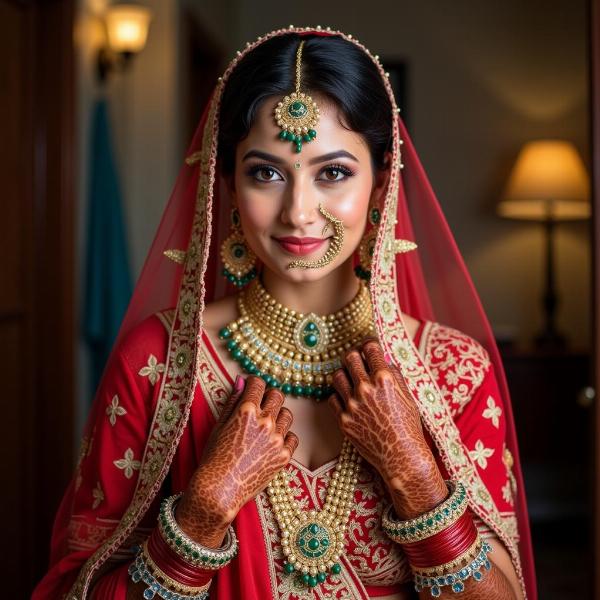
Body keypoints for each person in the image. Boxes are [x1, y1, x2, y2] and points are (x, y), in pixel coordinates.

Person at [33, 26, 537, 600]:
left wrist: (415, 477)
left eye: (334, 172)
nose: (299, 212)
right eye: (266, 172)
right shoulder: (162, 361)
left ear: (380, 185)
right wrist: (203, 510)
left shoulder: (451, 370)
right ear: (226, 183)